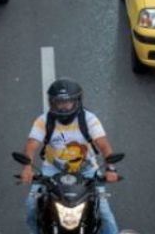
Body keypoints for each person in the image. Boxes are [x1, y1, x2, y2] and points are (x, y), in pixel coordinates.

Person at [19, 79, 120, 234]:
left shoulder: (89, 119)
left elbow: (104, 146)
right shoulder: (43, 120)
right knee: (31, 206)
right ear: (52, 103)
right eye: (59, 102)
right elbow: (31, 145)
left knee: (105, 214)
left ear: (77, 101)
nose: (64, 106)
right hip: (52, 170)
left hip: (87, 171)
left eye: (68, 102)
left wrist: (111, 169)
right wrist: (27, 167)